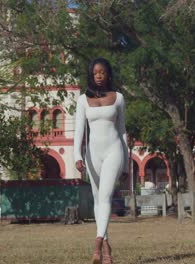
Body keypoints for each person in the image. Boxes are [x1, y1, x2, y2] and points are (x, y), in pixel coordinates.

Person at [73, 57, 128, 264]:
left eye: (102, 72)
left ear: (108, 74)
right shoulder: (81, 100)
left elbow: (122, 132)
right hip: (92, 154)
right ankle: (107, 247)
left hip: (114, 151)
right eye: (95, 72)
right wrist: (77, 156)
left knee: (105, 197)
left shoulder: (119, 98)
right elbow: (79, 131)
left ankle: (96, 244)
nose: (98, 75)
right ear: (91, 74)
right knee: (98, 200)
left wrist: (126, 163)